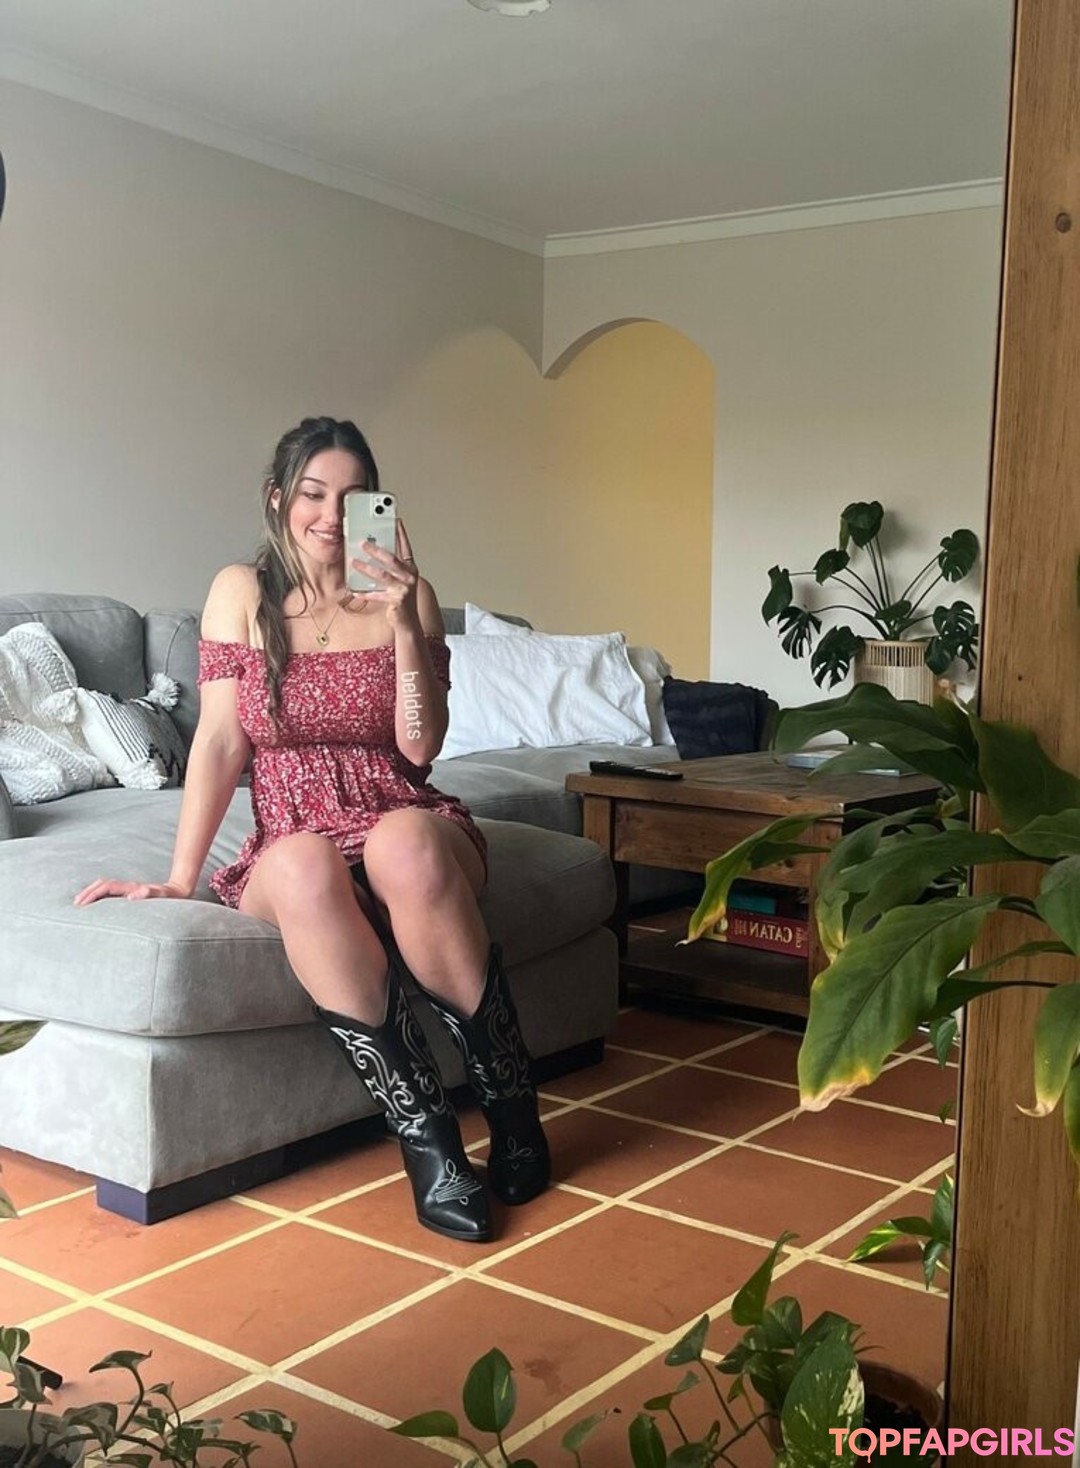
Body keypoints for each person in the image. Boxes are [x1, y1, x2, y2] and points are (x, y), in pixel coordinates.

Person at [74, 415, 550, 1243]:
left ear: (377, 505)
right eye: (313, 494)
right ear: (278, 499)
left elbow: (421, 748)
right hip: (296, 831)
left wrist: (403, 623)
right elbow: (219, 742)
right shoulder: (240, 592)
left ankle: (512, 1110)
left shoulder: (410, 593)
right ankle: (432, 1144)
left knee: (403, 842)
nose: (331, 517)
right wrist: (181, 877)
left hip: (401, 813)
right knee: (299, 864)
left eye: (353, 497)